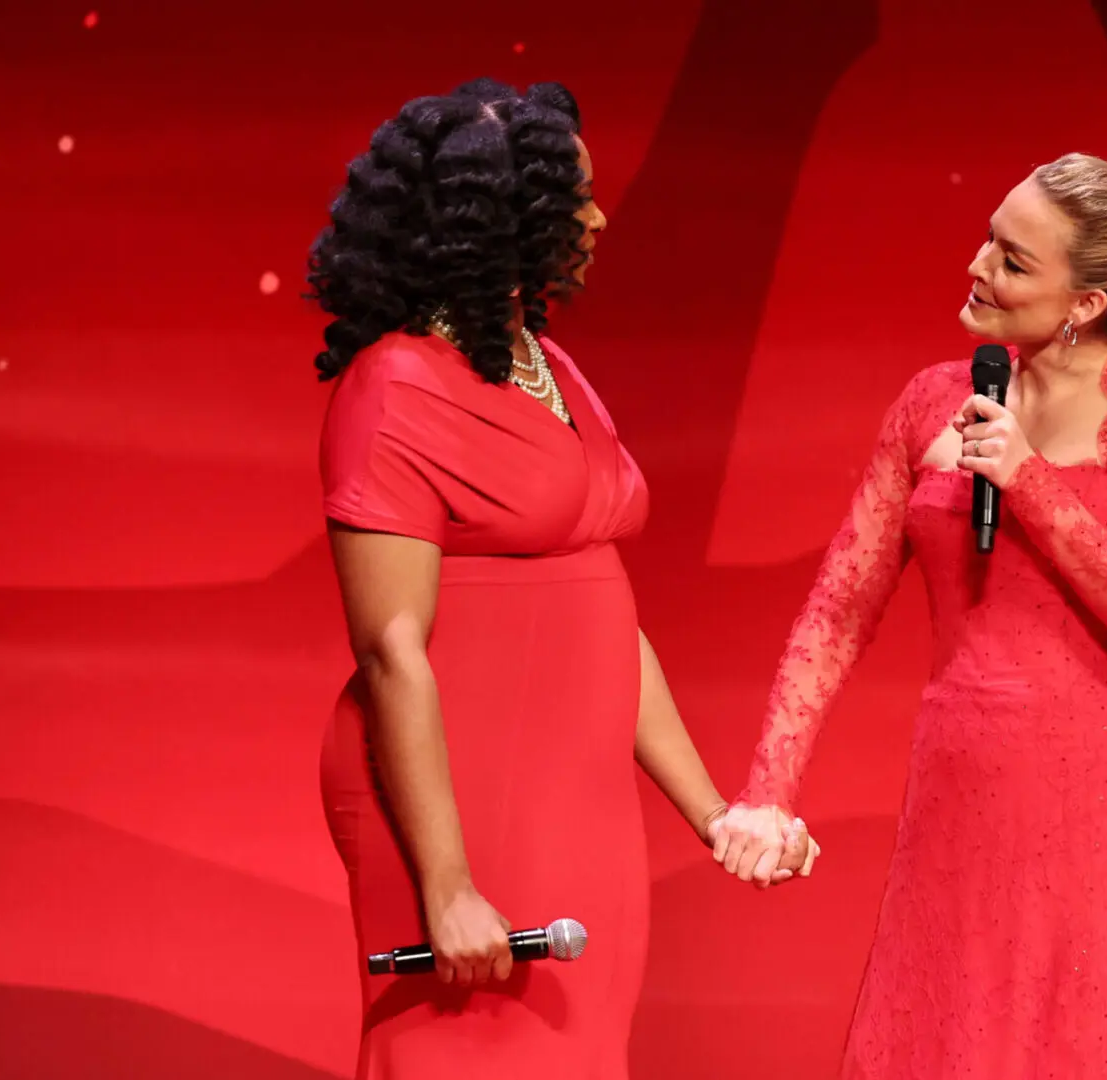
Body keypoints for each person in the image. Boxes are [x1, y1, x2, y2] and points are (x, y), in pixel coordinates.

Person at [311, 79, 811, 1079]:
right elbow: (391, 650)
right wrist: (446, 884)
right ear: (497, 224)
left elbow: (602, 622)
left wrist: (710, 812)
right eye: (572, 200)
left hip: (578, 797)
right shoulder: (395, 388)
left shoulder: (544, 363)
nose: (597, 216)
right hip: (461, 790)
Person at [710, 153, 1107, 1078]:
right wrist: (768, 787)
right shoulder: (930, 399)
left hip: (1105, 807)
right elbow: (839, 608)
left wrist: (1027, 478)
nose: (977, 267)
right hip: (958, 793)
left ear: (1084, 304)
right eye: (988, 240)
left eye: (1013, 260)